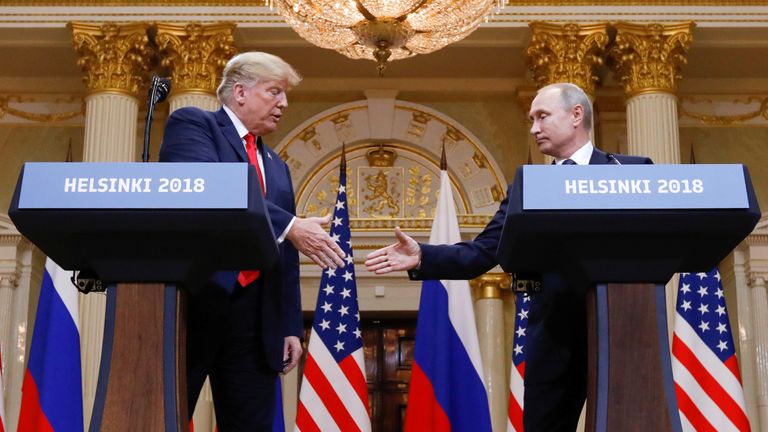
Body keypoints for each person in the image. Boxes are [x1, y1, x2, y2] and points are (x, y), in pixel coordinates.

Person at [365, 82, 652, 431]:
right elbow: (482, 252)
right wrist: (422, 256)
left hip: (621, 331)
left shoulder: (630, 173)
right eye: (531, 119)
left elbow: (652, 240)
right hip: (554, 340)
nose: (534, 128)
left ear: (577, 115)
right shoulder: (527, 188)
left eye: (542, 116)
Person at [159, 51, 346, 430]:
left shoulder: (276, 164)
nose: (284, 104)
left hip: (256, 322)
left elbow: (286, 257)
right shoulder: (195, 125)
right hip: (193, 307)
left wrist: (290, 324)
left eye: (285, 95)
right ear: (240, 92)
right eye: (275, 92)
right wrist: (291, 224)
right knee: (164, 419)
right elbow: (207, 189)